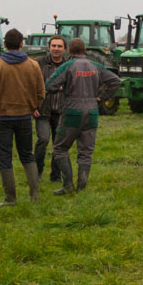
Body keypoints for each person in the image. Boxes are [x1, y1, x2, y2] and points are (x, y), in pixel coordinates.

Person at [45, 37, 122, 194]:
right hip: (92, 111)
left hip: (72, 111)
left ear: (69, 51)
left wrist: (62, 89)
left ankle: (67, 185)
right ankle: (82, 188)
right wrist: (102, 97)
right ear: (85, 50)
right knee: (86, 152)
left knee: (60, 148)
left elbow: (49, 85)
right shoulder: (96, 65)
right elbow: (115, 81)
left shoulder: (68, 66)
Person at [0, 28, 45, 207]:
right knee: (27, 154)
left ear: (4, 44)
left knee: (5, 157)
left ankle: (10, 199)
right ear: (21, 44)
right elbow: (41, 92)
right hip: (25, 116)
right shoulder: (33, 65)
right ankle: (35, 196)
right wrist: (33, 106)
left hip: (2, 118)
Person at [35, 35, 69, 182]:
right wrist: (32, 106)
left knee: (58, 144)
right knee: (43, 140)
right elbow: (31, 86)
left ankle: (55, 176)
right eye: (53, 46)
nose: (56, 49)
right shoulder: (38, 64)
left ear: (64, 49)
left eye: (59, 46)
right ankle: (36, 173)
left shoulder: (69, 65)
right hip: (42, 109)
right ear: (49, 47)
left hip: (61, 110)